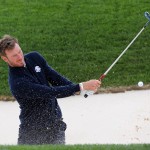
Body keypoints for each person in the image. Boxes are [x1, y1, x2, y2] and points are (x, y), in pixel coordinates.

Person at [0, 35, 101, 145]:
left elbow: (56, 79)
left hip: (56, 125)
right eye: (14, 56)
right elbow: (49, 92)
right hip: (32, 133)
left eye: (19, 51)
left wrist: (81, 90)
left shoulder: (34, 57)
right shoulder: (17, 82)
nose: (20, 57)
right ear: (5, 58)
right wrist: (81, 86)